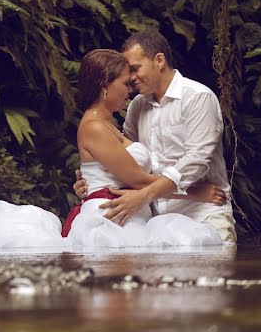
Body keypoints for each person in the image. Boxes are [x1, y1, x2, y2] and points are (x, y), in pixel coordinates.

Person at [0, 49, 225, 252]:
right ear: (105, 85)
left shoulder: (110, 124)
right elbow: (137, 181)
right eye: (123, 82)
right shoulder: (94, 125)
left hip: (130, 212)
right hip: (111, 218)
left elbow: (129, 176)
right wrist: (192, 193)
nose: (129, 88)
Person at [73, 30, 237, 243]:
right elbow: (126, 164)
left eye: (134, 69)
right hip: (153, 220)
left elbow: (196, 160)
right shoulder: (136, 107)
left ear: (159, 60)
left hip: (202, 211)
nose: (130, 79)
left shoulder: (197, 97)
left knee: (211, 274)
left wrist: (147, 194)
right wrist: (91, 183)